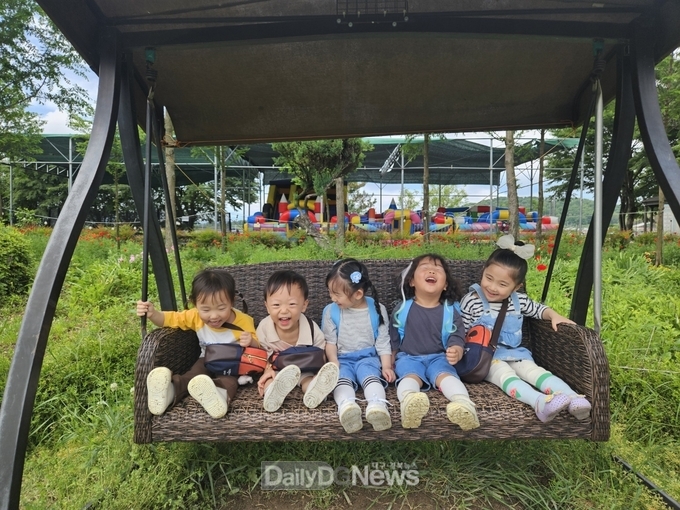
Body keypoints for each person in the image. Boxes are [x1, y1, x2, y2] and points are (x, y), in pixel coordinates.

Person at [459, 234, 592, 422]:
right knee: (505, 376)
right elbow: (461, 330)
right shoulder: (472, 300)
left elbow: (539, 310)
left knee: (536, 372)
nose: (492, 287)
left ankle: (573, 398)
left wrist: (553, 315)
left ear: (516, 287)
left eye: (502, 284)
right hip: (487, 358)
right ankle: (539, 402)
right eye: (489, 278)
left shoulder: (519, 301)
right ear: (483, 272)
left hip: (517, 353)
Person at [137, 268, 258, 419]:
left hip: (231, 363)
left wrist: (251, 341)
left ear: (232, 302)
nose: (214, 316)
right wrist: (152, 314)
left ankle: (218, 397)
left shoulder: (243, 321)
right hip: (205, 359)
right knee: (193, 375)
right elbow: (168, 319)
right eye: (206, 310)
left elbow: (258, 348)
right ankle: (169, 391)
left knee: (229, 381)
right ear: (195, 304)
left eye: (221, 308)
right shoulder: (194, 316)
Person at [389, 254, 480, 431]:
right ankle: (409, 403)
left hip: (439, 357)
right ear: (411, 281)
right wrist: (389, 362)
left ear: (445, 285)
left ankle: (463, 404)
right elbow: (393, 338)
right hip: (408, 357)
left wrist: (456, 350)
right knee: (409, 378)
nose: (431, 271)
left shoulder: (450, 311)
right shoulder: (402, 309)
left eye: (438, 269)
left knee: (447, 377)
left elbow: (457, 336)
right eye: (424, 267)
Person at [322, 259, 394, 433]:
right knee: (342, 381)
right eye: (330, 293)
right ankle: (347, 406)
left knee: (371, 378)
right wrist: (333, 361)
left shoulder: (377, 309)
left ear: (358, 294)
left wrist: (386, 366)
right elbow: (330, 342)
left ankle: (377, 405)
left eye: (337, 294)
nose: (333, 298)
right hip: (342, 359)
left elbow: (383, 341)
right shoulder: (331, 311)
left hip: (368, 358)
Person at [256, 270, 339, 412]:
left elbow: (320, 353)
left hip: (304, 369)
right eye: (276, 305)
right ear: (267, 307)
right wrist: (267, 370)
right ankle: (272, 393)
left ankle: (314, 391)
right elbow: (262, 354)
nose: (284, 310)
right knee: (270, 380)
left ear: (304, 305)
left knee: (308, 380)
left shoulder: (312, 330)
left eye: (292, 304)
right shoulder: (264, 328)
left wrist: (319, 372)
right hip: (277, 370)